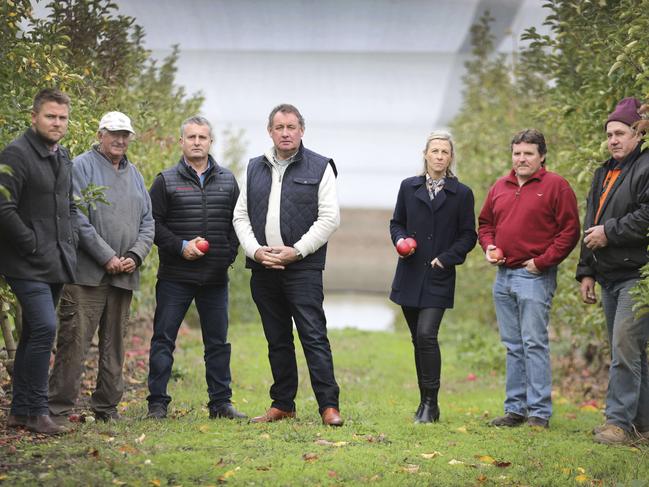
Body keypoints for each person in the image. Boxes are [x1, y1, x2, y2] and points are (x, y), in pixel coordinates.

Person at [233, 103, 343, 426]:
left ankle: (329, 406)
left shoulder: (321, 167)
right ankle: (283, 404)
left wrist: (297, 250)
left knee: (313, 335)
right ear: (270, 131)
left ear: (301, 131)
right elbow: (240, 215)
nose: (285, 133)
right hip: (263, 267)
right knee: (276, 338)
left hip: (303, 268)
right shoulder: (253, 167)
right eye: (279, 127)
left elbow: (330, 218)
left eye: (291, 127)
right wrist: (255, 252)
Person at [48, 111, 154, 423]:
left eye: (125, 134)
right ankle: (58, 409)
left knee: (115, 344)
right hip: (87, 275)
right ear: (100, 135)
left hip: (125, 273)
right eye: (114, 133)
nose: (120, 139)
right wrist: (106, 256)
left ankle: (107, 407)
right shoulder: (80, 166)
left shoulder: (134, 173)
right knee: (74, 342)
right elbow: (75, 216)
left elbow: (148, 221)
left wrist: (134, 256)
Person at [478, 129, 580, 429]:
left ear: (542, 156)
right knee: (513, 345)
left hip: (534, 275)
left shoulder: (556, 186)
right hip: (503, 275)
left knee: (534, 343)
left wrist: (543, 262)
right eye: (517, 153)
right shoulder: (500, 186)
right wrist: (489, 246)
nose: (521, 159)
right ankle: (515, 410)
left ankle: (539, 413)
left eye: (528, 153)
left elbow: (569, 231)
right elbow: (485, 224)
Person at [146, 116, 245, 420]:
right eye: (191, 137)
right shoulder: (165, 180)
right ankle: (157, 404)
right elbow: (153, 225)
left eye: (203, 137)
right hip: (176, 276)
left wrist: (227, 256)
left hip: (215, 278)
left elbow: (238, 223)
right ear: (182, 142)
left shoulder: (228, 180)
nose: (197, 142)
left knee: (217, 343)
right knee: (164, 339)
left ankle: (220, 404)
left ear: (211, 142)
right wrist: (180, 246)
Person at [0, 88, 77, 434]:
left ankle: (19, 411)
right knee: (45, 328)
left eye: (62, 117)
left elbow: (67, 208)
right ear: (34, 117)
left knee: (34, 331)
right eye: (50, 116)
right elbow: (3, 207)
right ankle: (37, 410)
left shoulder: (62, 157)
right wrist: (30, 243)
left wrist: (69, 242)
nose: (56, 122)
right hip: (25, 262)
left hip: (55, 261)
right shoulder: (16, 154)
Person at [389, 130, 477, 423]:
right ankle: (424, 403)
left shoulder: (461, 193)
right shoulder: (407, 187)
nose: (439, 156)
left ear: (451, 158)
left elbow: (468, 235)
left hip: (439, 274)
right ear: (425, 154)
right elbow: (396, 223)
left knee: (427, 335)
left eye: (445, 152)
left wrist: (447, 258)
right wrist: (400, 242)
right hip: (410, 273)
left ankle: (431, 403)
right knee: (418, 340)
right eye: (435, 151)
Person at [576, 97, 649, 445]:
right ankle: (643, 426)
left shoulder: (647, 166)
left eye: (620, 133)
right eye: (609, 134)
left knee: (624, 346)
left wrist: (611, 231)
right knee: (629, 351)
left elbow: (646, 217)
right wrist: (586, 271)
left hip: (638, 275)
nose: (614, 140)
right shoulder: (603, 172)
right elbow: (591, 222)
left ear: (637, 134)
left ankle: (618, 424)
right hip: (607, 275)